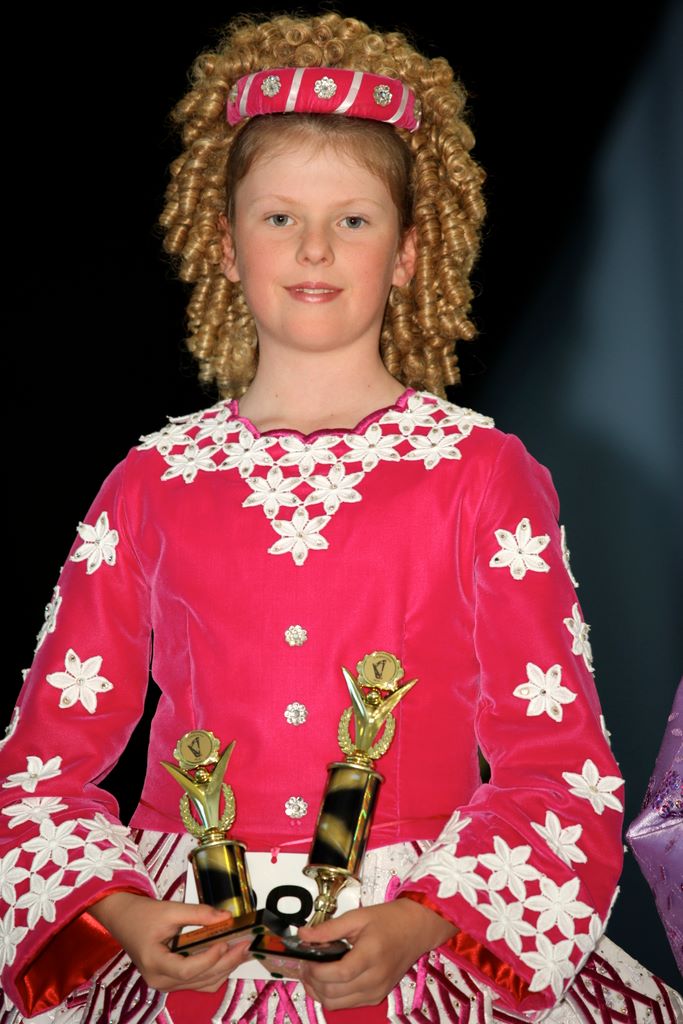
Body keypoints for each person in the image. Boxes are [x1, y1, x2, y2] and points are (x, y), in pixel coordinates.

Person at [0, 12, 679, 1024]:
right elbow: (41, 767)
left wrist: (417, 922)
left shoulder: (480, 473)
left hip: (417, 942)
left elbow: (556, 767)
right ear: (224, 243)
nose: (313, 248)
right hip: (184, 946)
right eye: (278, 217)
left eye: (353, 220)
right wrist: (127, 917)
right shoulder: (150, 482)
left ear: (407, 252)